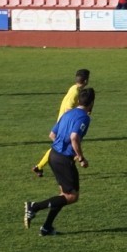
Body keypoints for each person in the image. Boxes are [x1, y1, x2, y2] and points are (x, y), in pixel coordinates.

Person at [24, 88, 96, 236]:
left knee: (63, 195)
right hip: (63, 160)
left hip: (54, 155)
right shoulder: (84, 117)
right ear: (92, 103)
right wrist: (80, 157)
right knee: (71, 197)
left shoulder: (67, 113)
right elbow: (74, 137)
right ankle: (34, 206)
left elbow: (52, 134)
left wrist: (66, 148)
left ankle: (46, 228)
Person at [31, 69, 91, 177]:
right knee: (59, 147)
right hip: (65, 122)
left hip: (64, 121)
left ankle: (39, 167)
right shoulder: (75, 92)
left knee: (58, 147)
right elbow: (68, 109)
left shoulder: (75, 88)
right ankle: (40, 166)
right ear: (86, 80)